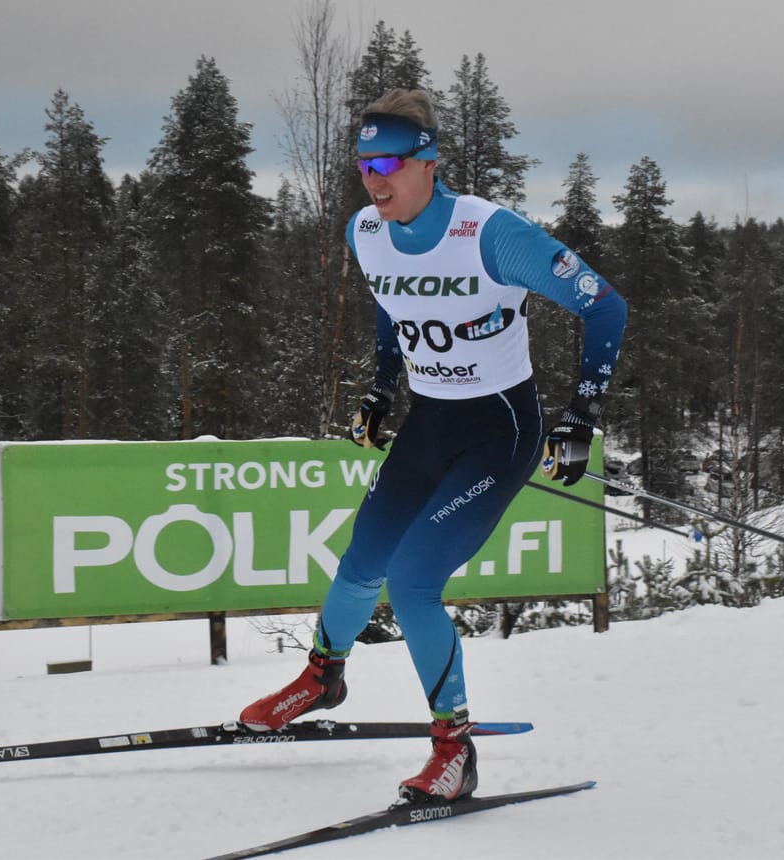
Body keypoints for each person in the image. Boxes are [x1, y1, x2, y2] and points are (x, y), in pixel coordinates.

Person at [239, 89, 628, 804]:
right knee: (361, 562)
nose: (374, 179)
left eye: (387, 162)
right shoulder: (367, 231)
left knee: (413, 582)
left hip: (498, 434)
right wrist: (381, 390)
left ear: (428, 161)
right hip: (430, 423)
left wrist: (581, 416)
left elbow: (605, 305)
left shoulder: (490, 233)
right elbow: (394, 307)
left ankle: (454, 753)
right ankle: (323, 677)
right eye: (363, 164)